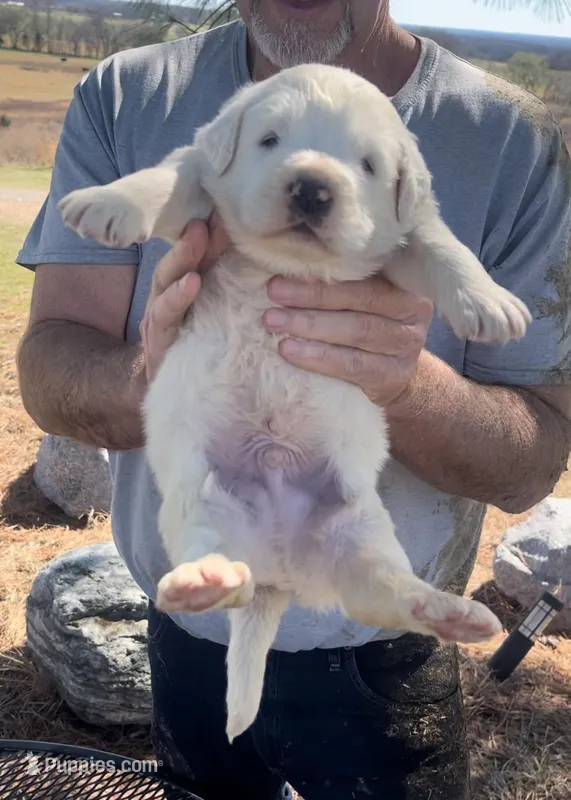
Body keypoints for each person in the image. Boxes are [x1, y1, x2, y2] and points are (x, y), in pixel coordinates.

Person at [15, 1, 571, 798]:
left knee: (354, 520)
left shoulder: (510, 141)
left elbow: (529, 462)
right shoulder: (132, 95)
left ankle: (399, 595)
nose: (311, 182)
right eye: (276, 145)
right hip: (183, 630)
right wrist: (160, 373)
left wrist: (404, 379)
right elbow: (173, 194)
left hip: (377, 662)